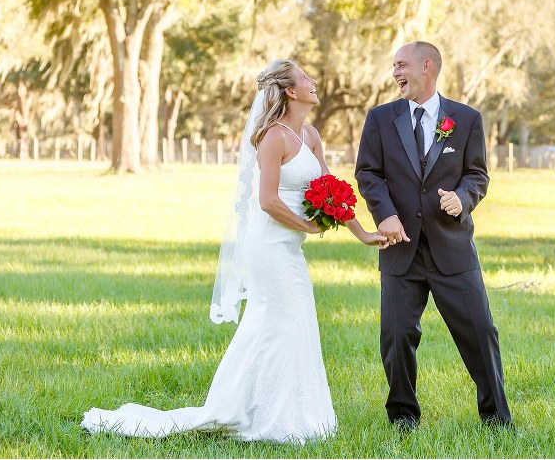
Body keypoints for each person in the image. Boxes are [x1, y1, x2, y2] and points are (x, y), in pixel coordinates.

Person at [82, 59, 387, 443]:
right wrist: (308, 226)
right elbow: (268, 201)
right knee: (278, 321)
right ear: (290, 91)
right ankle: (262, 416)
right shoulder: (272, 137)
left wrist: (363, 233)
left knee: (292, 322)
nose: (314, 81)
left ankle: (289, 411)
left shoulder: (310, 135)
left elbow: (331, 192)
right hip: (269, 246)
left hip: (290, 247)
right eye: (306, 78)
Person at [355, 41, 512, 432]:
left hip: (452, 248)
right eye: (393, 66)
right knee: (396, 336)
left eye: (401, 65)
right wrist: (385, 215)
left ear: (428, 66)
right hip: (400, 249)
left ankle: (497, 420)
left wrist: (462, 198)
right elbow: (368, 174)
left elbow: (477, 175)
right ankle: (403, 419)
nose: (395, 73)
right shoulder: (380, 119)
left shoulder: (466, 118)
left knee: (480, 332)